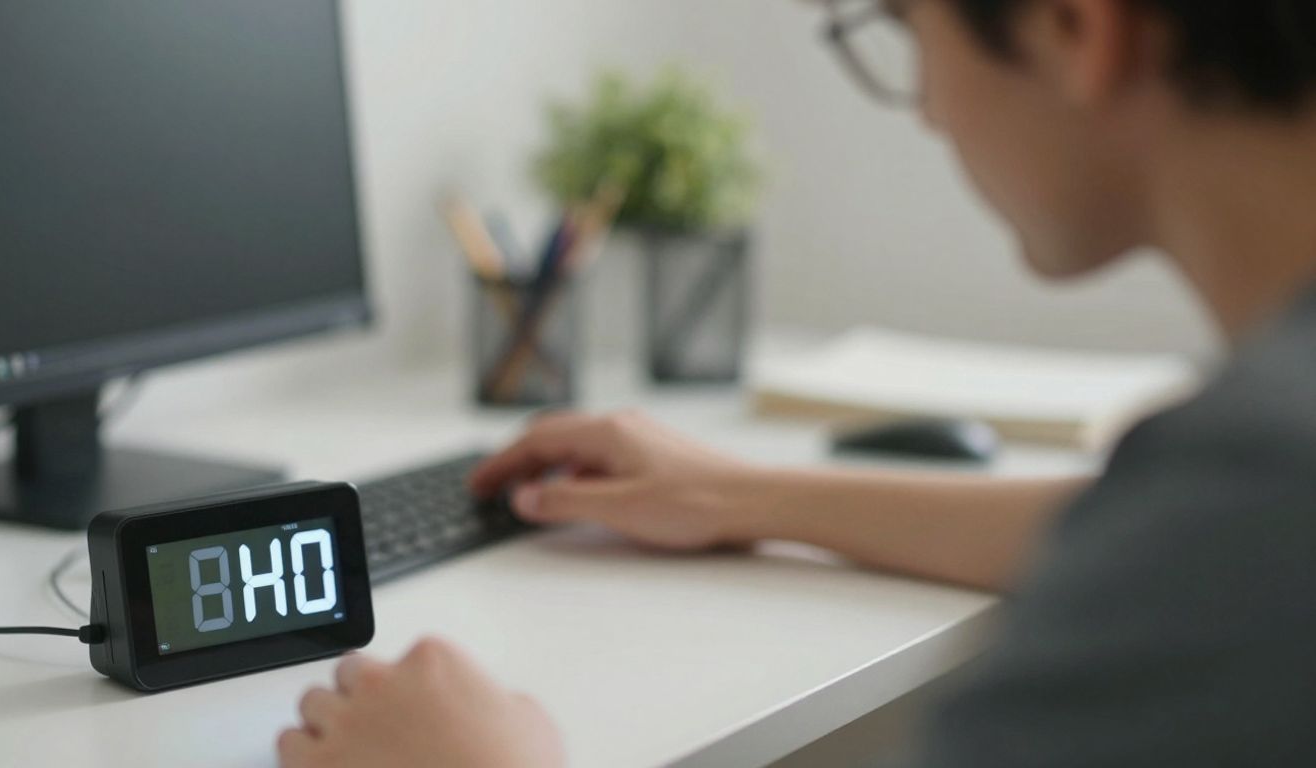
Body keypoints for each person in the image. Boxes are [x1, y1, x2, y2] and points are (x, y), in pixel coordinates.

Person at [276, 0, 1316, 765]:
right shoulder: (1244, 495)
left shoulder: (1251, 496)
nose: (926, 114)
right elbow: (1134, 526)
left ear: (1073, 28)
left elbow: (1208, 536)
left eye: (909, 34)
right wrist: (748, 495)